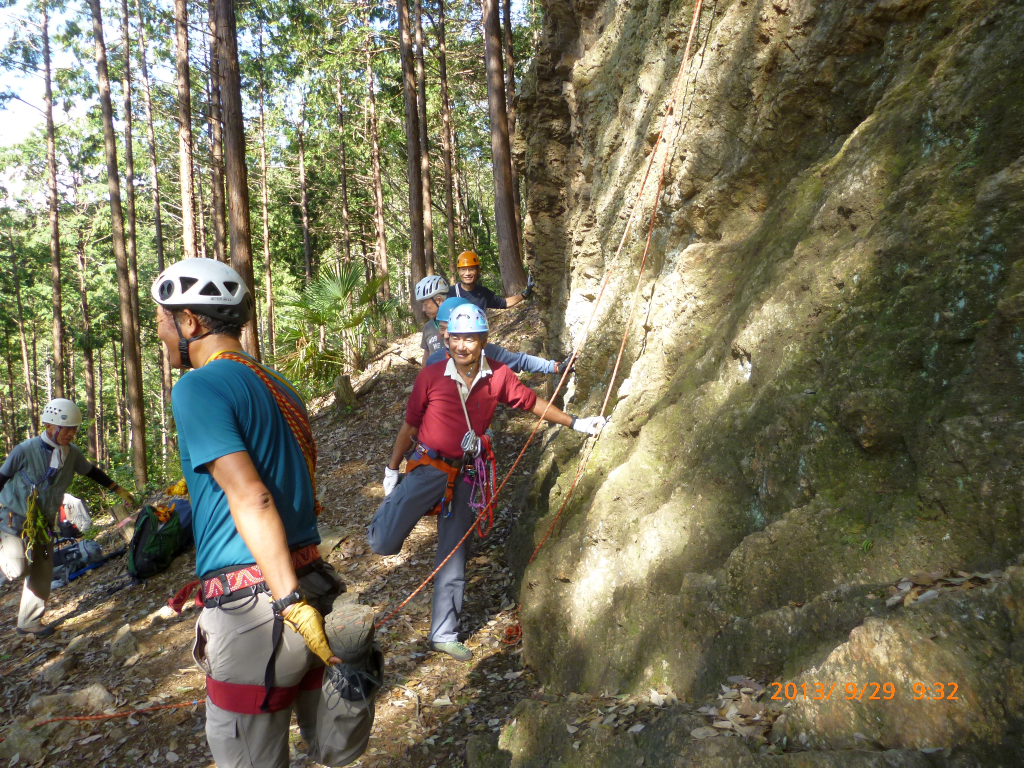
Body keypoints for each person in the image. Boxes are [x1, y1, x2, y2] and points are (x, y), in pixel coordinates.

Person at [151, 258, 381, 768]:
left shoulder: (198, 386)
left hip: (260, 608)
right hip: (315, 583)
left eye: (163, 322)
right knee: (332, 747)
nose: (161, 335)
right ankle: (353, 675)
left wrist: (288, 602)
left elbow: (251, 496)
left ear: (190, 322)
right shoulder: (277, 385)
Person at [368, 304, 605, 662]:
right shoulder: (430, 377)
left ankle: (444, 633)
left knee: (453, 552)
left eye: (471, 338)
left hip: (465, 473)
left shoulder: (498, 376)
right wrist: (391, 469)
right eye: (457, 337)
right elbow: (410, 426)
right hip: (428, 467)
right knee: (383, 543)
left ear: (484, 340)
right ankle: (388, 512)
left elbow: (531, 402)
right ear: (447, 338)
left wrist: (575, 422)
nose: (463, 345)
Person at [0, 399, 135, 637]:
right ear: (49, 425)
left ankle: (29, 621)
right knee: (19, 569)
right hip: (14, 520)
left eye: (74, 429)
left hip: (44, 522)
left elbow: (92, 472)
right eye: (67, 428)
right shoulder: (24, 450)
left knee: (43, 568)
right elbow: (1, 478)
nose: (71, 434)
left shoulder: (72, 454)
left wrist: (119, 489)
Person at [425, 297, 574, 376]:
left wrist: (555, 367)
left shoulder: (486, 352)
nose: (445, 335)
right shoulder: (434, 361)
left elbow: (519, 361)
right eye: (442, 328)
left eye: (451, 330)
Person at [448, 250, 534, 310]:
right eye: (463, 269)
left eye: (471, 269)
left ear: (478, 270)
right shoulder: (450, 292)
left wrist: (525, 294)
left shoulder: (483, 293)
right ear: (458, 271)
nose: (467, 273)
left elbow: (504, 303)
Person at [416, 275, 450, 365]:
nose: (423, 309)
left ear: (439, 300)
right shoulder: (428, 327)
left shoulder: (457, 323)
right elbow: (426, 354)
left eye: (426, 304)